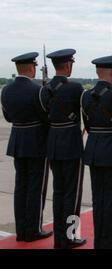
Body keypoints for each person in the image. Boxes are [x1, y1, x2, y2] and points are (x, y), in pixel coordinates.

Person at [0, 52, 52, 243]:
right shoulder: (38, 90)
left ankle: (21, 229)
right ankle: (33, 229)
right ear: (31, 67)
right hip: (36, 141)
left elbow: (8, 117)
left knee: (20, 186)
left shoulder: (6, 90)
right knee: (36, 187)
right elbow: (46, 116)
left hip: (17, 141)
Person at [39, 49, 86, 249]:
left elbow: (44, 116)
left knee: (58, 192)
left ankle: (59, 238)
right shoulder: (76, 88)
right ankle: (69, 236)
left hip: (53, 144)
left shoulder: (44, 90)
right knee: (72, 194)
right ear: (68, 65)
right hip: (72, 145)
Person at [81, 56, 112, 249]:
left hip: (93, 150)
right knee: (111, 201)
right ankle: (109, 244)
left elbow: (88, 125)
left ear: (98, 72)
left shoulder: (85, 96)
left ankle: (100, 242)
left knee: (98, 199)